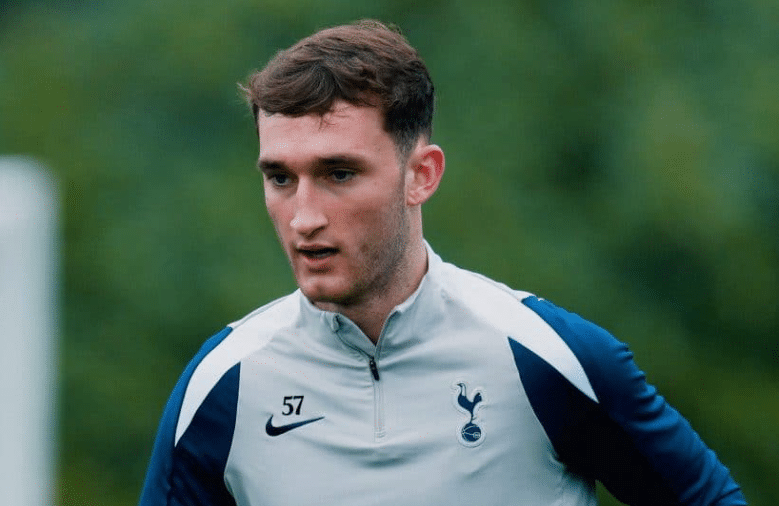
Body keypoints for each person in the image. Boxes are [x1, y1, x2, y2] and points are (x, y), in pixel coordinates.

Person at [138, 20, 747, 506]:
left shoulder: (547, 357)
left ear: (420, 175)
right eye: (279, 178)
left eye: (339, 173)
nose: (303, 216)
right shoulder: (223, 388)